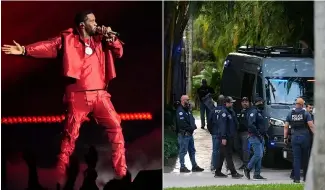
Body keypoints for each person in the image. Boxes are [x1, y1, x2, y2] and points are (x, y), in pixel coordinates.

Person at [2, 10, 127, 182]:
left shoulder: (101, 39)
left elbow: (119, 52)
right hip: (78, 96)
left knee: (116, 128)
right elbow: (48, 46)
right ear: (82, 25)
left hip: (100, 95)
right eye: (93, 21)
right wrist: (24, 50)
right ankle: (59, 179)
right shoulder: (68, 39)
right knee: (69, 138)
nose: (97, 24)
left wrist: (111, 38)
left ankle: (122, 175)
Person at [284, 98, 315, 183]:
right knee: (305, 158)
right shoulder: (306, 113)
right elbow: (311, 126)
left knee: (296, 158)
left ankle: (296, 178)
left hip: (294, 138)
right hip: (305, 138)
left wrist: (285, 138)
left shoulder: (290, 113)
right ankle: (306, 178)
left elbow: (286, 127)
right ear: (302, 105)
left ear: (296, 104)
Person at [214, 96, 243, 178]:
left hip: (229, 136)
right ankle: (233, 173)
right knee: (228, 154)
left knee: (222, 155)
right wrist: (223, 137)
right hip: (226, 137)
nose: (232, 104)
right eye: (230, 102)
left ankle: (218, 171)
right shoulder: (224, 113)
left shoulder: (229, 111)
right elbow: (223, 126)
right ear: (226, 103)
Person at [176, 95, 204, 173]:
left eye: (188, 100)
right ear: (183, 100)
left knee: (192, 151)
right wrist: (191, 128)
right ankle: (182, 167)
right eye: (187, 100)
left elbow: (191, 119)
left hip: (189, 134)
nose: (188, 102)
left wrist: (193, 126)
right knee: (183, 151)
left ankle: (194, 166)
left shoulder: (187, 109)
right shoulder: (180, 111)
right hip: (184, 135)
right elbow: (182, 124)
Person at [244, 97, 267, 180]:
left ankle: (257, 174)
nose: (263, 103)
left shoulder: (259, 112)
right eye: (261, 102)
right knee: (258, 154)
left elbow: (261, 125)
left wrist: (264, 134)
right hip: (254, 136)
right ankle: (248, 168)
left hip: (260, 136)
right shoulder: (253, 111)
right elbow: (251, 125)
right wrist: (258, 134)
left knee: (260, 155)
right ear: (257, 103)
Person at [208, 94, 224, 172]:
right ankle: (226, 167)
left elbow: (209, 123)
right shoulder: (225, 110)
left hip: (215, 132)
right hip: (223, 134)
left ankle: (213, 166)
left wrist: (212, 131)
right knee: (225, 151)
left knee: (215, 150)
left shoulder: (213, 110)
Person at [237, 97, 251, 170]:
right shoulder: (239, 111)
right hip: (238, 132)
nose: (245, 103)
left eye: (246, 101)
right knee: (238, 148)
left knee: (245, 149)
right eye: (243, 102)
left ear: (249, 103)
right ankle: (244, 162)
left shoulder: (250, 111)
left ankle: (246, 164)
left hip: (246, 132)